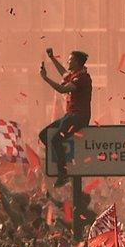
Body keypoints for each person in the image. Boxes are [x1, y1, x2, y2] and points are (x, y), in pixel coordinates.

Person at [39, 49, 93, 187]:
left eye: (70, 59)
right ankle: (61, 159)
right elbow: (63, 72)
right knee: (44, 135)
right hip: (69, 115)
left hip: (78, 117)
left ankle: (63, 172)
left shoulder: (82, 78)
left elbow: (62, 89)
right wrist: (52, 58)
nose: (68, 61)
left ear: (77, 62)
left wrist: (45, 78)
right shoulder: (75, 75)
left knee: (56, 139)